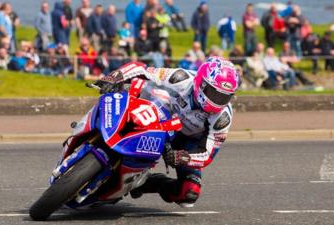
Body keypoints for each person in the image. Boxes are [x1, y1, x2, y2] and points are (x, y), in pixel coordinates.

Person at [94, 56, 239, 208]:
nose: (217, 101)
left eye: (224, 97)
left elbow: (207, 154)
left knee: (188, 194)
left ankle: (145, 183)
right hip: (161, 117)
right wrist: (114, 77)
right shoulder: (180, 77)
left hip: (185, 142)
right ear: (201, 83)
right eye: (214, 93)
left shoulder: (222, 118)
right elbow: (142, 69)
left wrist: (182, 157)